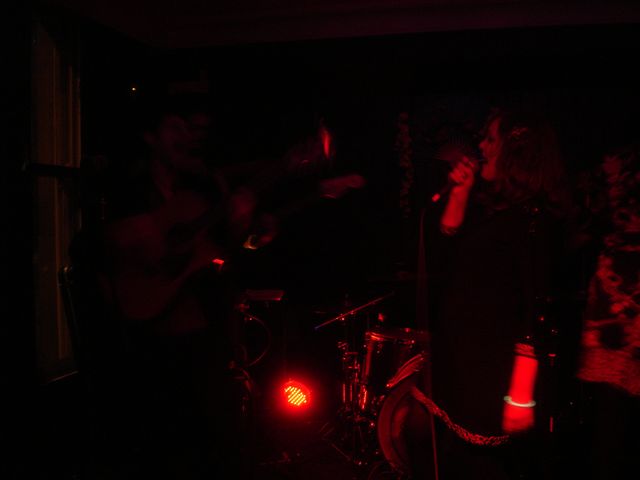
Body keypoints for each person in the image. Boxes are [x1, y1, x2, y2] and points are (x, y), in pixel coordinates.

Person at [419, 106, 570, 479]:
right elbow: (444, 254)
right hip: (463, 367)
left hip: (491, 377)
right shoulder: (495, 209)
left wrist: (520, 393)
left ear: (516, 151)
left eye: (490, 139)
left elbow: (538, 308)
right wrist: (460, 194)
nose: (481, 147)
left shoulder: (534, 219)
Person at [575, 143, 640, 480]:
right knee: (609, 432)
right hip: (608, 338)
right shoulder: (605, 228)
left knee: (616, 434)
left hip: (625, 334)